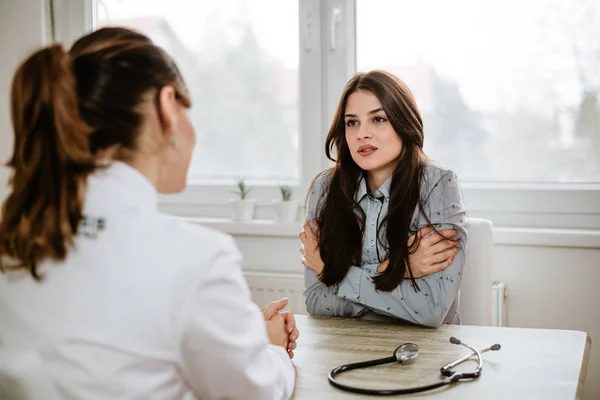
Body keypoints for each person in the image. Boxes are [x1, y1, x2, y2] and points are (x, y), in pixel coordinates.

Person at [0, 27, 297, 399]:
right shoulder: (197, 259)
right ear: (167, 107)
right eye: (189, 111)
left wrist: (241, 331)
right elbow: (257, 393)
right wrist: (269, 348)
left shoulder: (15, 236)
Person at [299, 70, 468, 328]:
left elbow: (431, 309)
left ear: (404, 123)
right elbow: (318, 303)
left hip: (424, 354)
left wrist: (337, 277)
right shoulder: (324, 190)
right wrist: (396, 271)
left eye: (378, 119)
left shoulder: (437, 184)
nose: (362, 134)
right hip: (345, 348)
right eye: (351, 122)